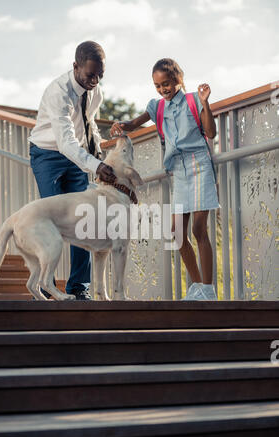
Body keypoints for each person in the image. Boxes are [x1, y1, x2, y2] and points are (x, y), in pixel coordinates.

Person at [110, 58, 220, 301]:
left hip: (199, 165)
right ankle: (197, 286)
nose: (163, 90)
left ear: (178, 79)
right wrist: (120, 126)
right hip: (178, 171)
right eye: (158, 86)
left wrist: (205, 104)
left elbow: (211, 133)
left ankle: (209, 290)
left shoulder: (193, 100)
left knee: (199, 229)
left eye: (167, 84)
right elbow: (132, 124)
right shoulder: (156, 107)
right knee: (176, 233)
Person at [29, 41, 116, 300]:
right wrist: (96, 165)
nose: (95, 80)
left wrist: (97, 149)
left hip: (78, 156)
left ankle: (79, 288)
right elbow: (65, 142)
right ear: (75, 66)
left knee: (84, 221)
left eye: (100, 75)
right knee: (52, 220)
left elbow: (87, 122)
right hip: (48, 156)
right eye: (90, 75)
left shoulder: (95, 90)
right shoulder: (58, 92)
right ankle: (46, 285)